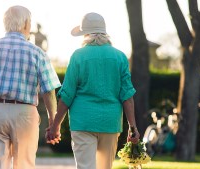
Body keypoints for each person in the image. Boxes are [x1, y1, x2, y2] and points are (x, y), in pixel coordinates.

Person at [0, 5, 61, 169]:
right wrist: (54, 122)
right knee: (24, 163)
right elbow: (48, 90)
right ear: (25, 24)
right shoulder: (37, 53)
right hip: (24, 113)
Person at [47, 12, 140, 169]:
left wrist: (56, 125)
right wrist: (133, 128)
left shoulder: (78, 56)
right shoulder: (120, 57)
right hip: (110, 123)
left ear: (85, 34)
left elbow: (67, 94)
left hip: (83, 122)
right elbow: (127, 96)